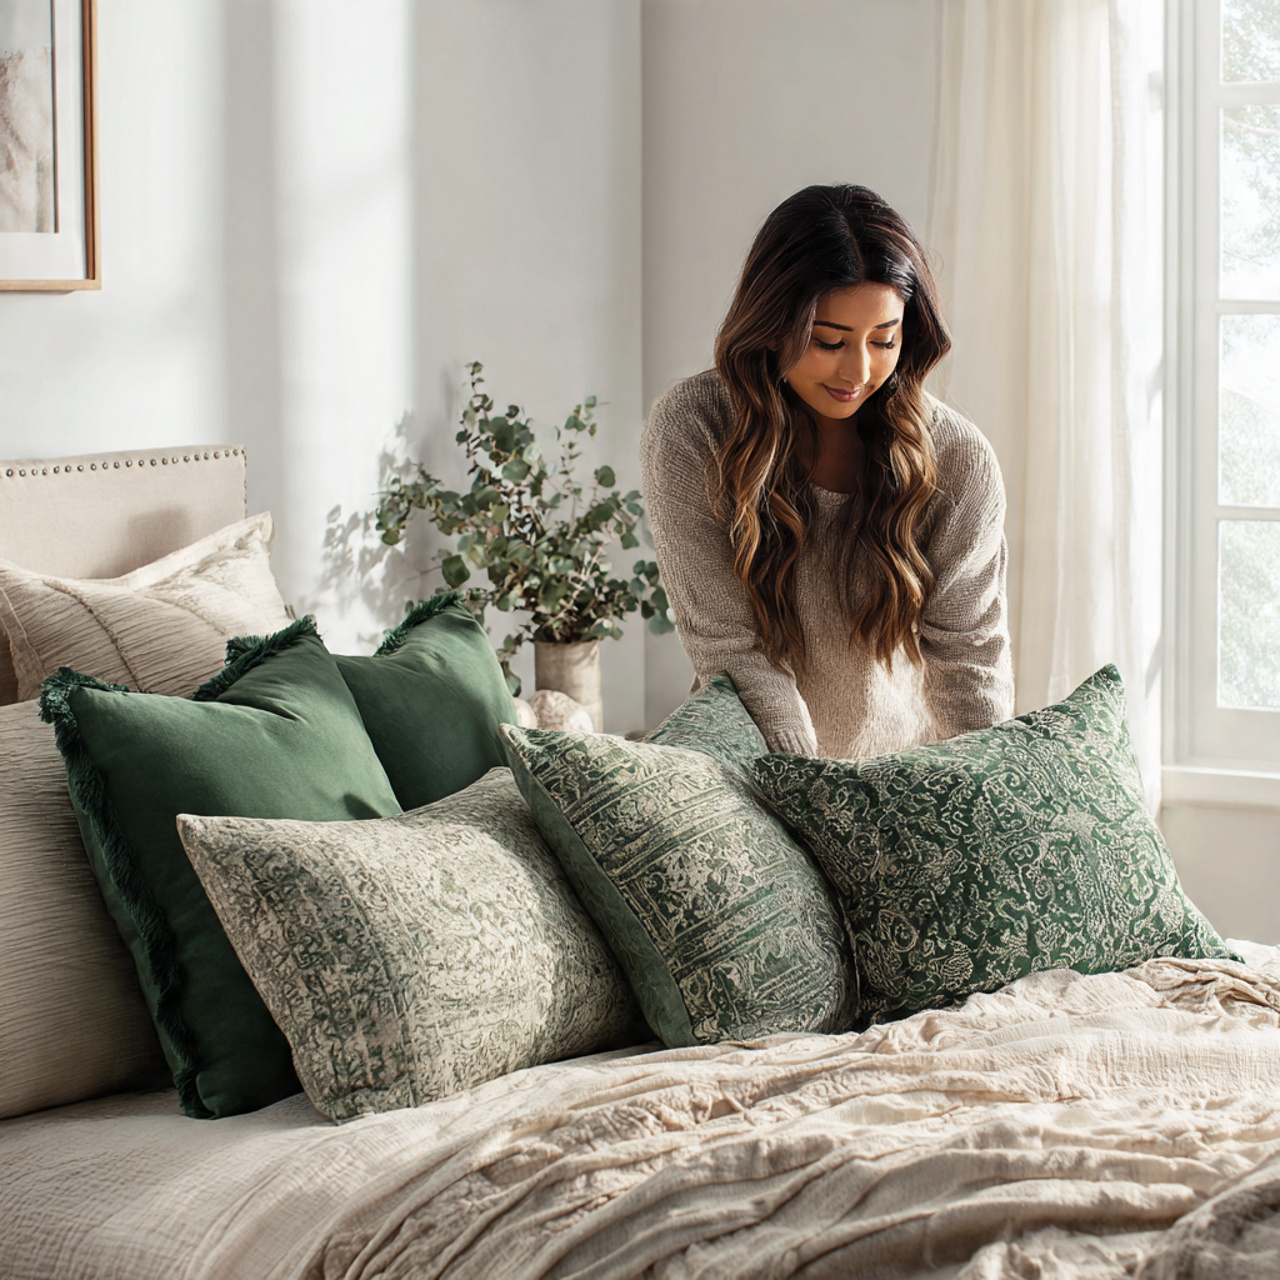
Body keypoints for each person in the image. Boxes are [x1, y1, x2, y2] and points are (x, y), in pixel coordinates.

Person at [640, 184, 1014, 758]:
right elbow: (730, 646)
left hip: (896, 780)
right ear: (771, 322)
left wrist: (983, 800)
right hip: (753, 768)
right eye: (828, 340)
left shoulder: (959, 460)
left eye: (884, 340)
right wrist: (806, 786)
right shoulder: (693, 427)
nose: (860, 370)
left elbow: (970, 660)